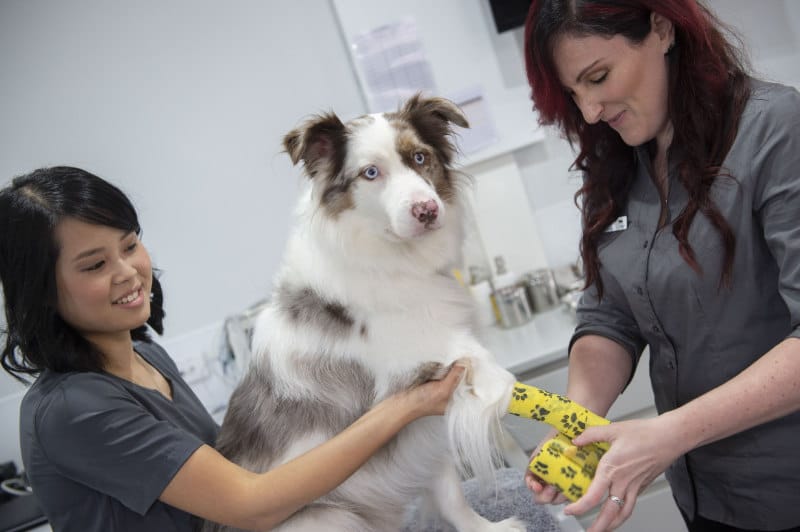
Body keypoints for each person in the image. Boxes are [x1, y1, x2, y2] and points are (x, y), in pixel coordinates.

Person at [0, 166, 467, 531]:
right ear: (41, 289)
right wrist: (406, 406)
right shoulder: (73, 409)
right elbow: (251, 504)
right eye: (95, 264)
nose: (127, 272)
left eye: (129, 245)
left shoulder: (144, 357)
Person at [521, 1, 800, 531]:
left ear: (662, 28)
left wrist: (669, 433)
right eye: (575, 94)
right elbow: (609, 315)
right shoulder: (619, 163)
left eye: (598, 78)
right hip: (707, 500)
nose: (590, 112)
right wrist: (575, 425)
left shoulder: (775, 128)